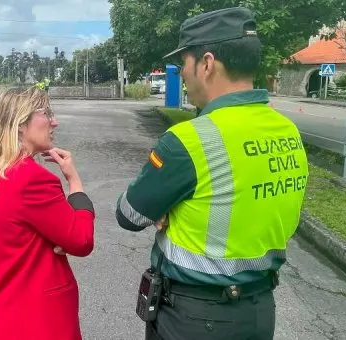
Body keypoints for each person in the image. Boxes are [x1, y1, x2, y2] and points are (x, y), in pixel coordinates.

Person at [115, 7, 309, 340]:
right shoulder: (287, 131)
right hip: (259, 311)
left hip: (195, 317)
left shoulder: (188, 141)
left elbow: (129, 214)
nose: (181, 76)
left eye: (183, 65)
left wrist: (168, 210)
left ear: (206, 63)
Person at [0, 86, 95, 340]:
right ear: (21, 124)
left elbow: (23, 232)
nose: (54, 121)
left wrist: (58, 235)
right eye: (46, 113)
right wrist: (74, 182)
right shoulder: (32, 179)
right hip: (38, 321)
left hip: (5, 314)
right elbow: (81, 240)